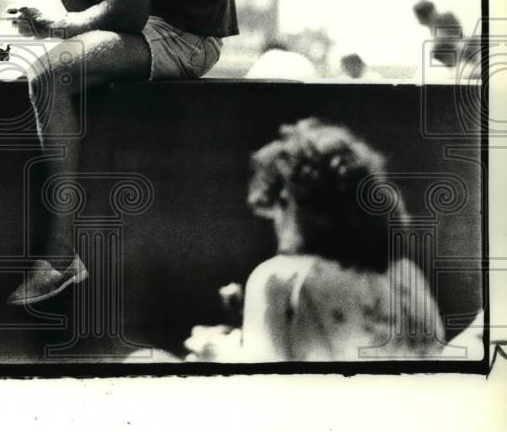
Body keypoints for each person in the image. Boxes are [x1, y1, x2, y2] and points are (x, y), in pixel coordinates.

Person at [7, 0, 238, 305]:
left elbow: (126, 15)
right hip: (161, 29)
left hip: (186, 37)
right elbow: (91, 11)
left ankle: (61, 254)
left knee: (49, 75)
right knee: (56, 67)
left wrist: (53, 29)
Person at [184, 118, 445, 362]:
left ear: (291, 201)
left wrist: (221, 355)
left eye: (279, 205)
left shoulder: (277, 278)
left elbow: (265, 391)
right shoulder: (408, 277)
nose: (276, 222)